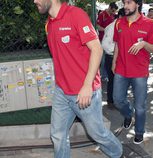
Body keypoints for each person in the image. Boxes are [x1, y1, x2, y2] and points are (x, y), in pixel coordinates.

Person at [34, 0, 123, 158]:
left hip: (84, 91)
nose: (35, 1)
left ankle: (117, 153)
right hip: (62, 91)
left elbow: (97, 49)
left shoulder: (76, 15)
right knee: (58, 135)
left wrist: (87, 86)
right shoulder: (49, 23)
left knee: (97, 134)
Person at [112, 0, 153, 144]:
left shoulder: (150, 24)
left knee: (140, 105)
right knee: (118, 100)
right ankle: (127, 114)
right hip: (121, 69)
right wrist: (114, 61)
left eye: (129, 3)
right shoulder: (119, 23)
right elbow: (118, 44)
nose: (125, 6)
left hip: (139, 71)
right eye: (124, 3)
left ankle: (139, 132)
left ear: (137, 4)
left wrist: (144, 44)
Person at [102, 8, 125, 109]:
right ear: (120, 17)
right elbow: (105, 45)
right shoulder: (113, 27)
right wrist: (114, 52)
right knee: (114, 80)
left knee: (116, 80)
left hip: (114, 57)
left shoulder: (117, 26)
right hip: (112, 57)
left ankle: (114, 100)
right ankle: (112, 101)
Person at [97, 2, 118, 81]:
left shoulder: (112, 15)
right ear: (109, 7)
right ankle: (103, 75)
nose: (113, 12)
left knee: (108, 58)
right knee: (103, 58)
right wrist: (106, 30)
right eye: (112, 10)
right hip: (102, 39)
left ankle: (107, 74)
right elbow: (98, 26)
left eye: (114, 11)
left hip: (111, 41)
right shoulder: (102, 14)